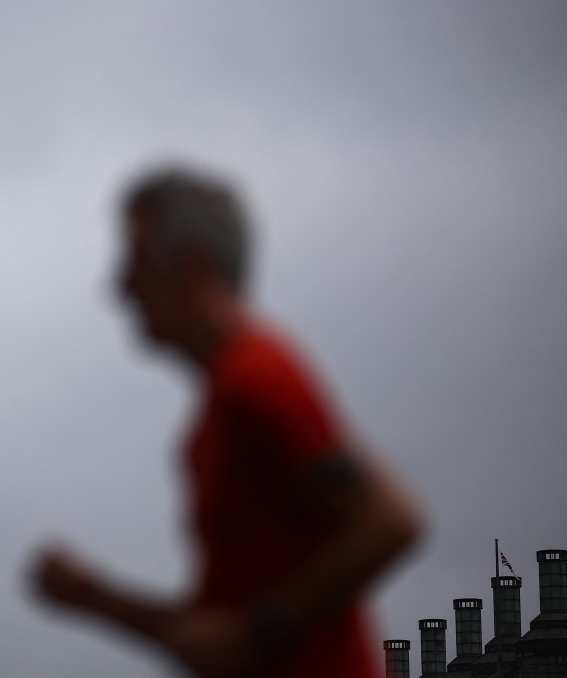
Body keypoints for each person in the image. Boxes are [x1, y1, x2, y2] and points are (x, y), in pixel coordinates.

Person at [31, 167, 422, 677]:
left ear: (191, 268)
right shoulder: (218, 413)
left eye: (136, 262)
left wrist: (260, 629)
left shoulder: (258, 377)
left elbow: (390, 520)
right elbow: (214, 635)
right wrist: (94, 598)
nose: (119, 287)